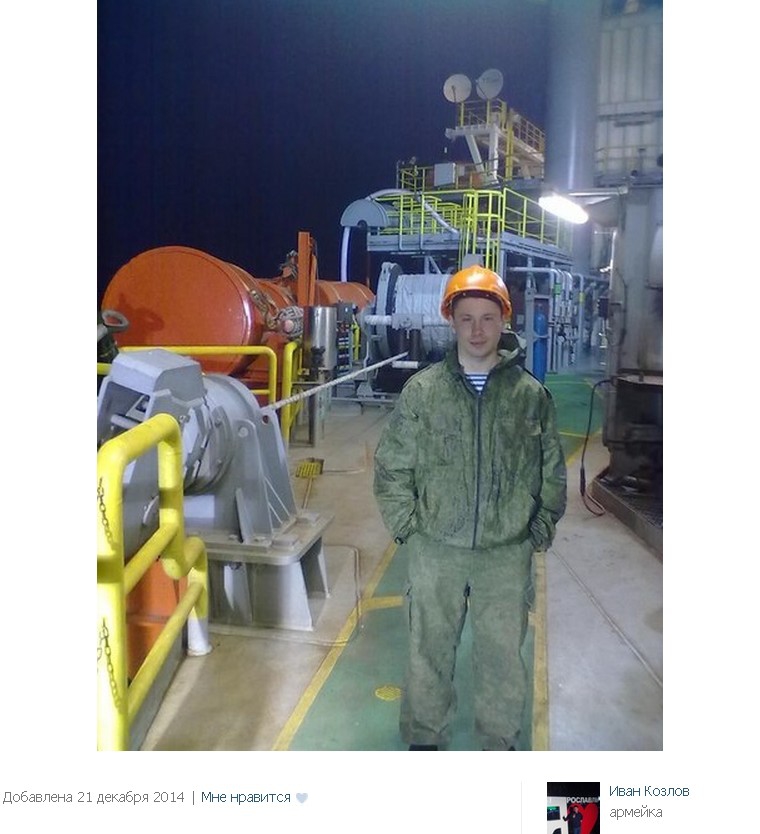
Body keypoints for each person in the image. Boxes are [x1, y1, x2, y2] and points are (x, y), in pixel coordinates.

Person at [373, 264, 567, 751]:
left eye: (487, 318)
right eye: (466, 319)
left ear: (504, 321)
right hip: (436, 550)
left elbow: (551, 470)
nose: (477, 330)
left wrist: (538, 528)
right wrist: (408, 526)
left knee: (502, 656)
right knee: (428, 651)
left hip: (506, 553)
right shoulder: (424, 392)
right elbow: (392, 466)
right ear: (451, 321)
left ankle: (498, 743)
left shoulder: (530, 397)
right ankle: (425, 738)